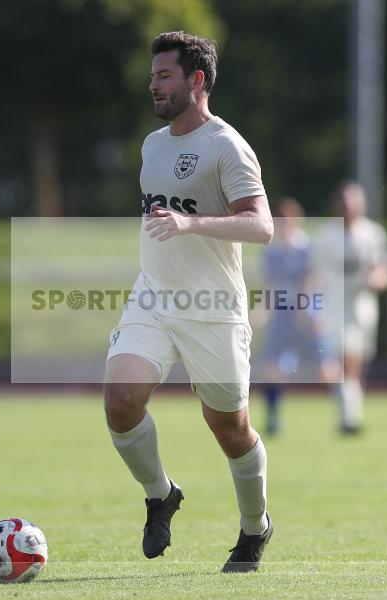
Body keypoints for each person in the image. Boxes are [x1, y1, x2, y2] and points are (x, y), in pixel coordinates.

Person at [104, 31, 274, 573]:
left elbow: (262, 225)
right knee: (120, 401)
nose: (153, 85)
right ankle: (160, 494)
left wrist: (191, 223)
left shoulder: (228, 145)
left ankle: (254, 529)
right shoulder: (153, 145)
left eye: (164, 76)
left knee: (229, 428)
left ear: (196, 81)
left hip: (214, 309)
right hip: (153, 299)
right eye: (153, 75)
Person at [318, 180, 387, 435]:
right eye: (345, 202)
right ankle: (349, 417)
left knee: (355, 364)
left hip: (362, 310)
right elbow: (314, 275)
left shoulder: (373, 234)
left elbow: (385, 270)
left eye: (354, 202)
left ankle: (349, 415)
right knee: (341, 363)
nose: (349, 207)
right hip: (333, 309)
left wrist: (376, 280)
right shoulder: (325, 235)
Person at [258, 197, 331, 436]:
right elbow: (270, 287)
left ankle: (347, 417)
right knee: (271, 368)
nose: (284, 226)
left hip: (307, 314)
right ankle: (272, 420)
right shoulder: (272, 254)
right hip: (282, 315)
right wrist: (260, 312)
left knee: (327, 369)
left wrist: (313, 311)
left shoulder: (309, 249)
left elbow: (316, 282)